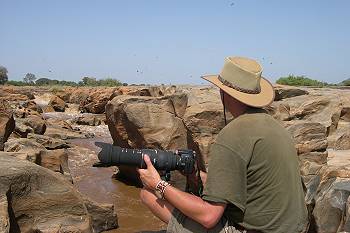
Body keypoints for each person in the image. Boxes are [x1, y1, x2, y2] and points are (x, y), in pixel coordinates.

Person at [137, 56, 309, 233]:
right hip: (297, 227)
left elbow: (209, 216)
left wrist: (158, 183)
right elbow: (248, 185)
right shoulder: (276, 127)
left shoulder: (232, 135)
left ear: (224, 93)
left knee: (148, 195)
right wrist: (197, 176)